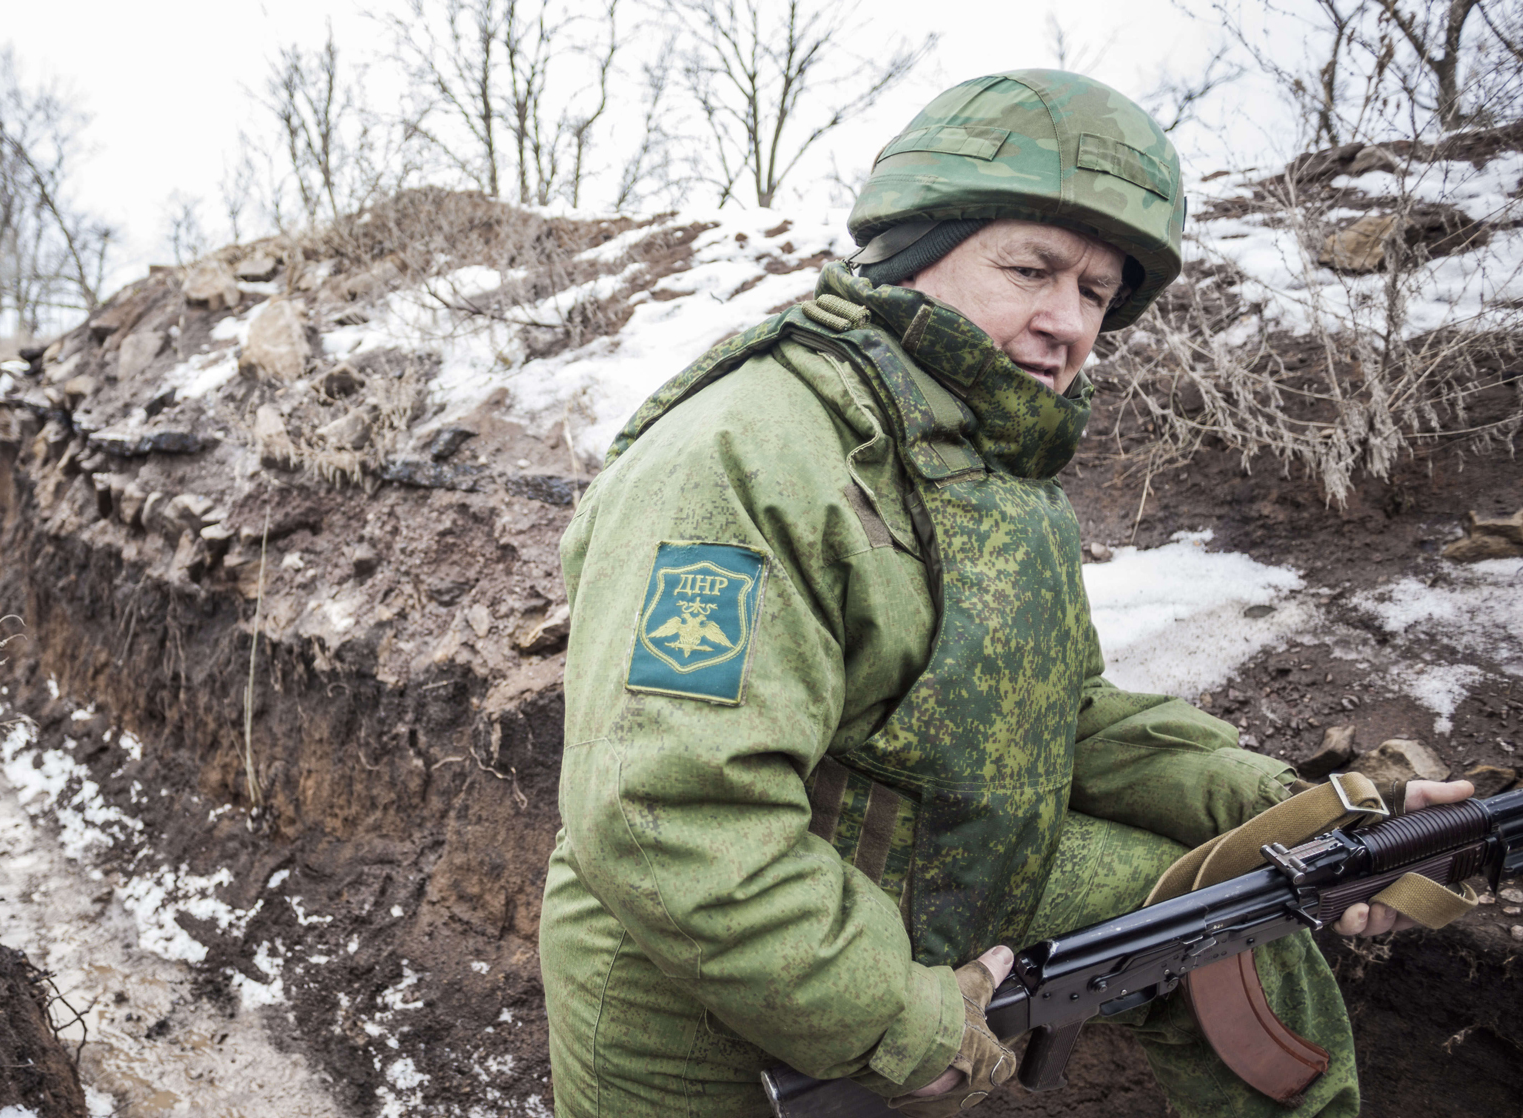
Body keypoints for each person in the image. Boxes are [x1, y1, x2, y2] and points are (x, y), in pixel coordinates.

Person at [538, 68, 1473, 1118]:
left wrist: (1316, 820)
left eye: (1094, 295)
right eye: (1030, 268)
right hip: (699, 1015)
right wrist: (895, 1019)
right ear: (912, 247)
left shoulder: (992, 466)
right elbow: (670, 812)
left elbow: (1060, 716)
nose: (1064, 323)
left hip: (932, 883)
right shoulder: (744, 456)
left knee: (1246, 936)